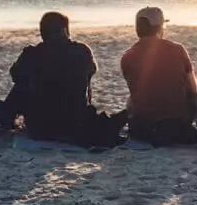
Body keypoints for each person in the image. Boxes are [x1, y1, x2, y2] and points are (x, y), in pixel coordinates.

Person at [6, 11, 121, 145]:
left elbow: (15, 75)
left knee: (21, 85)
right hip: (74, 122)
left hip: (40, 126)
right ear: (66, 30)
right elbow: (91, 71)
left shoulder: (32, 53)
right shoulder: (82, 51)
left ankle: (7, 117)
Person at [119, 6, 197, 145]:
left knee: (132, 98)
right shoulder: (177, 50)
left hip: (143, 127)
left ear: (137, 29)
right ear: (159, 27)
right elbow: (193, 88)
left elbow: (134, 88)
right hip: (177, 123)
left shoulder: (127, 56)